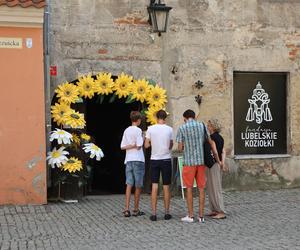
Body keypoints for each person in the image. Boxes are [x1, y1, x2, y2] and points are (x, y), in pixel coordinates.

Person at [176, 109, 221, 223]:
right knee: (201, 189)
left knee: (189, 188)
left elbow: (180, 148)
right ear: (194, 117)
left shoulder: (182, 128)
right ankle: (201, 216)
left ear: (185, 118)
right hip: (201, 161)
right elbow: (209, 141)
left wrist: (187, 145)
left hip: (189, 162)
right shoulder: (202, 126)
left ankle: (191, 216)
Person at [144, 110, 173, 221]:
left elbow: (146, 145)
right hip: (166, 159)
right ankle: (166, 212)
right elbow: (170, 145)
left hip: (154, 159)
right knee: (166, 186)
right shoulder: (169, 129)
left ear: (156, 117)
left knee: (154, 185)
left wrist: (153, 142)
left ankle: (154, 213)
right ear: (165, 118)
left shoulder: (151, 129)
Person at [120, 111, 145, 217]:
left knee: (129, 184)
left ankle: (126, 209)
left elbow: (122, 146)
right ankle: (136, 209)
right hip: (138, 159)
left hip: (129, 159)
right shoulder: (139, 130)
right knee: (138, 185)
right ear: (138, 120)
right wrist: (143, 137)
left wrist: (131, 145)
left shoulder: (126, 130)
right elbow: (139, 145)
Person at [206, 119, 226, 219]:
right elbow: (223, 151)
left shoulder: (212, 137)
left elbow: (215, 151)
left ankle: (221, 211)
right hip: (214, 164)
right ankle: (214, 209)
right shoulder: (220, 137)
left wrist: (219, 162)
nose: (207, 127)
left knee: (215, 188)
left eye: (209, 125)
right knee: (211, 187)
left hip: (213, 164)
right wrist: (223, 162)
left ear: (213, 127)